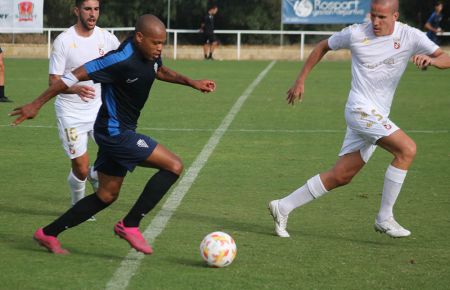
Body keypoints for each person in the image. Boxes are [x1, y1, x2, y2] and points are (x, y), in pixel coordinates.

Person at [10, 14, 216, 255]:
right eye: (155, 43)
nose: (160, 48)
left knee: (106, 195)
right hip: (114, 132)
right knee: (173, 165)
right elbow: (70, 77)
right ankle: (129, 225)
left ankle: (47, 233)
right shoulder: (118, 60)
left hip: (121, 130)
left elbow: (159, 71)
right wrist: (36, 104)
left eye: (163, 43)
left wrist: (192, 82)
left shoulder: (151, 54)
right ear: (139, 37)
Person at [268, 0, 450, 239]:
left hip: (377, 115)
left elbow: (445, 57)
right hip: (359, 109)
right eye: (373, 15)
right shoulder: (355, 33)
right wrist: (300, 80)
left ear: (395, 16)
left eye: (382, 17)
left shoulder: (411, 36)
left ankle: (282, 206)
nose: (375, 21)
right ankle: (384, 218)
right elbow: (322, 46)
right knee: (407, 150)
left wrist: (432, 61)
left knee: (341, 175)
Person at [50, 0, 120, 219]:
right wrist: (76, 89)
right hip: (70, 113)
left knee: (114, 157)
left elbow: (121, 65)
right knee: (80, 169)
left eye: (96, 9)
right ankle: (78, 207)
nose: (93, 14)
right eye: (88, 9)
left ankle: (93, 175)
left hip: (100, 110)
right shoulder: (64, 41)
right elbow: (54, 81)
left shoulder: (107, 39)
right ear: (77, 11)